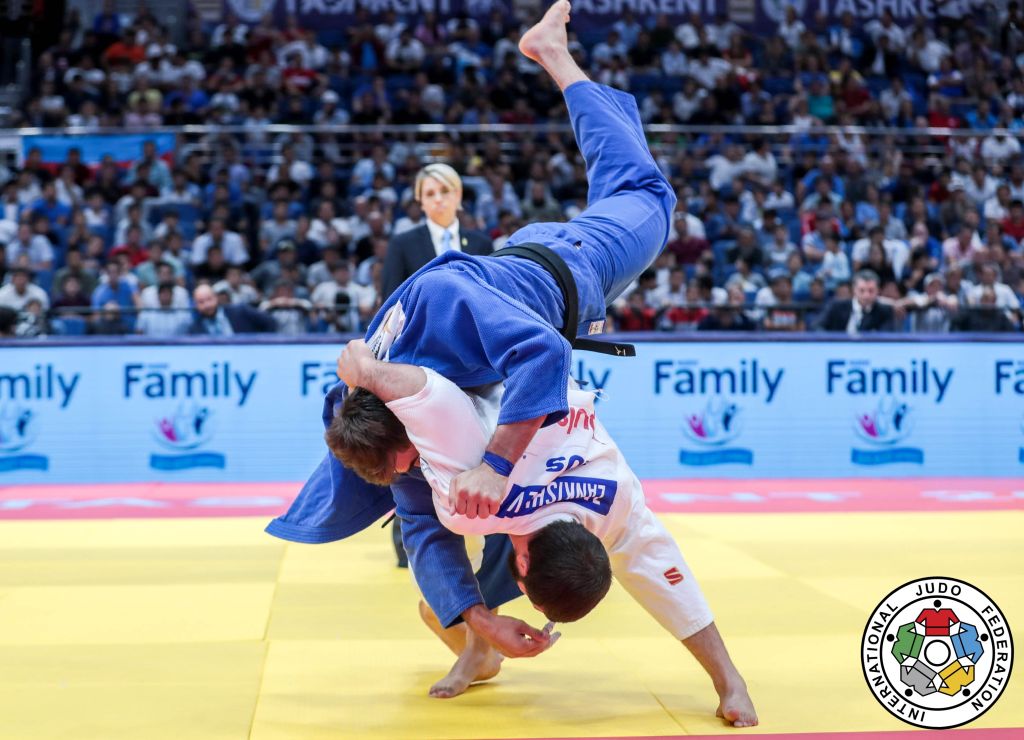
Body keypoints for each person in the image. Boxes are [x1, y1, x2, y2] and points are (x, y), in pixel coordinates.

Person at [269, 1, 675, 664]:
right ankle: (472, 644)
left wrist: (494, 465)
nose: (412, 476)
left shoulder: (439, 307)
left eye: (405, 465)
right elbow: (425, 529)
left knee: (649, 194)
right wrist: (479, 621)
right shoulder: (386, 429)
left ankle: (555, 55)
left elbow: (543, 349)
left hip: (569, 263)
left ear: (400, 413)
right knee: (446, 516)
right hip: (527, 310)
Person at [328, 339, 757, 725]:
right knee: (394, 466)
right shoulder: (472, 488)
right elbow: (430, 396)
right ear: (525, 565)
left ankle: (477, 648)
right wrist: (365, 372)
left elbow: (665, 578)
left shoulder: (612, 499)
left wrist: (729, 681)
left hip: (533, 377)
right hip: (472, 358)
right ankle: (477, 647)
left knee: (460, 546)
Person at [380, 163, 493, 300]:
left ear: (458, 195)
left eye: (445, 191)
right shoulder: (402, 244)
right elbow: (390, 304)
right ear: (421, 201)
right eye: (430, 193)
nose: (438, 199)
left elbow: (492, 299)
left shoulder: (482, 244)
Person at [816, 270, 894, 334]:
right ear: (854, 290)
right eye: (862, 290)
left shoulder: (884, 311)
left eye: (871, 291)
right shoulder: (836, 306)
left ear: (878, 291)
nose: (866, 295)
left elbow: (885, 335)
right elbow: (817, 326)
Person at [188, 284, 276, 335]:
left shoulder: (240, 311)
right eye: (201, 302)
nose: (207, 305)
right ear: (196, 305)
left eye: (209, 299)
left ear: (216, 298)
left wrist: (261, 346)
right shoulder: (194, 330)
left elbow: (270, 322)